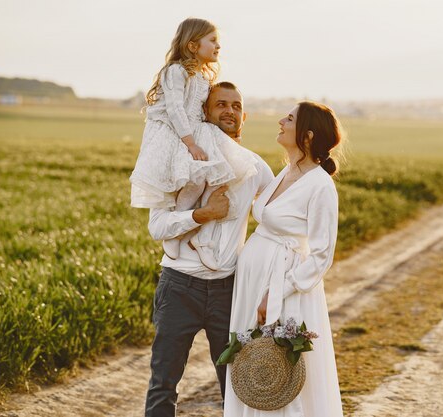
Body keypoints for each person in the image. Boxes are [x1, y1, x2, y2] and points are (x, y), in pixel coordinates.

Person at [145, 81, 274, 417]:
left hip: (229, 290)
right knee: (163, 383)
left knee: (235, 385)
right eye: (221, 104)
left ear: (244, 116)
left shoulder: (258, 169)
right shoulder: (176, 160)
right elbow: (157, 226)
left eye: (235, 106)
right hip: (178, 286)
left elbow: (276, 226)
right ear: (204, 112)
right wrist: (203, 214)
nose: (229, 111)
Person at [224, 101, 344, 417]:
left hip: (283, 287)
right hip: (255, 283)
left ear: (306, 135)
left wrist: (277, 292)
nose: (280, 121)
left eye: (288, 119)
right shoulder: (285, 173)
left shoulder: (320, 186)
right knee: (255, 367)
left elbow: (321, 256)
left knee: (280, 372)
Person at [129, 17, 257, 270]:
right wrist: (191, 144)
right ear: (192, 45)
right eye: (212, 41)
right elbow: (176, 109)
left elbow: (205, 113)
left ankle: (200, 239)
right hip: (175, 135)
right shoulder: (176, 71)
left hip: (196, 133)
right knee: (192, 180)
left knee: (209, 177)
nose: (218, 46)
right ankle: (176, 232)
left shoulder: (202, 78)